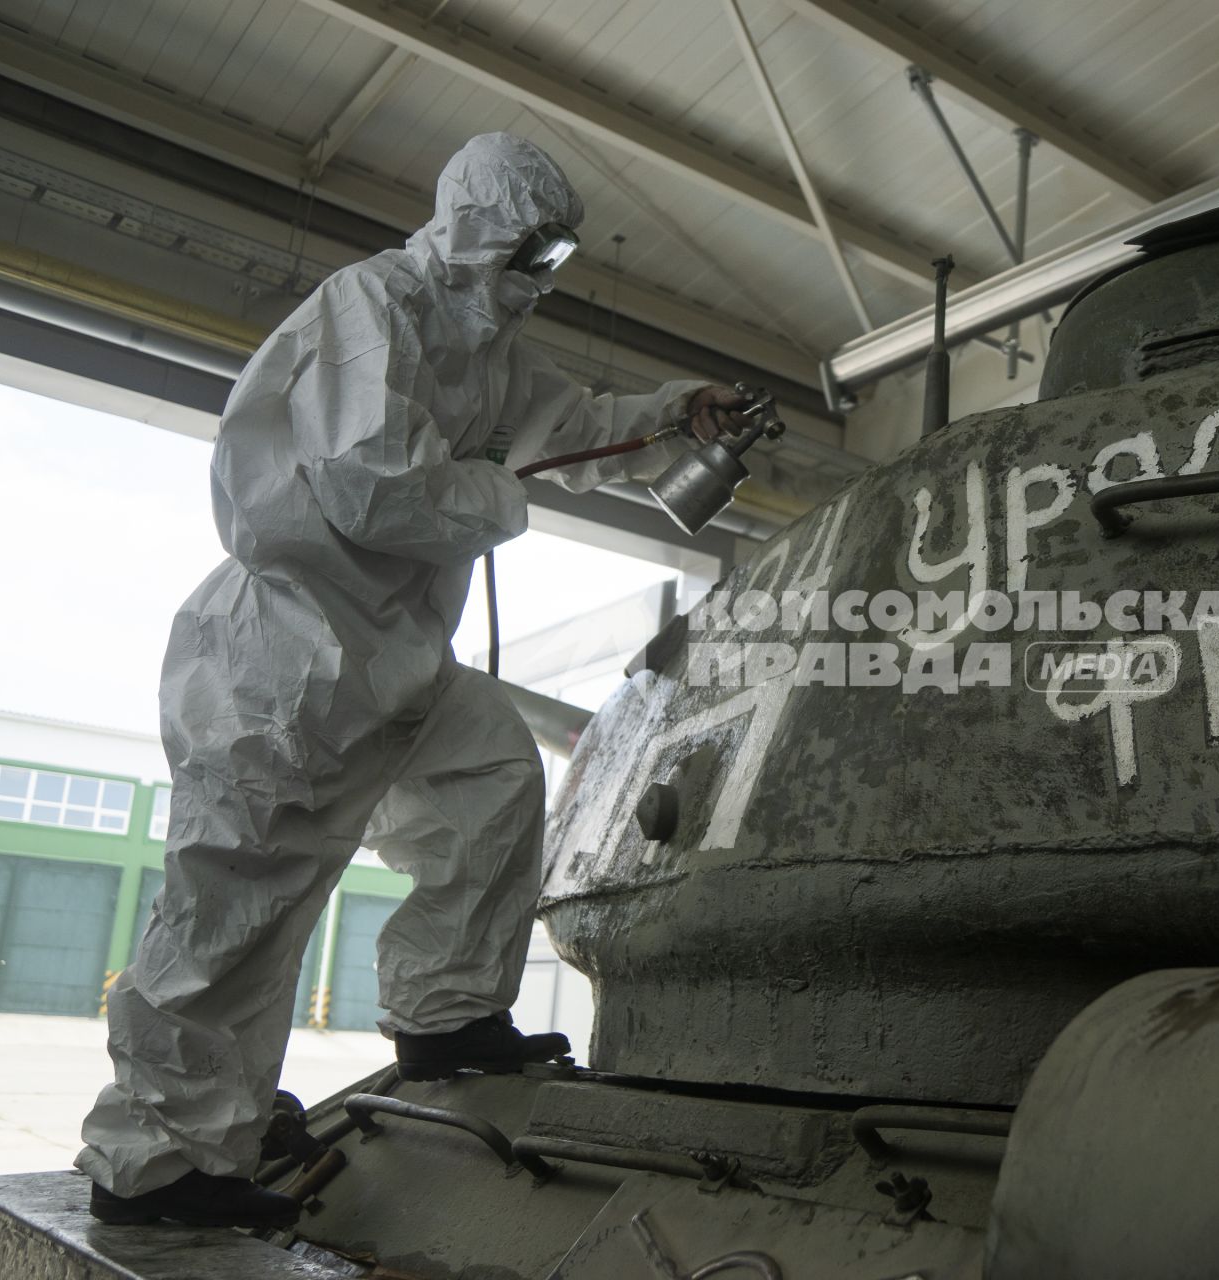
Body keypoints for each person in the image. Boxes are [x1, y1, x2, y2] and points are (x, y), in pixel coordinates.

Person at [78, 132, 744, 1229]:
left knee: (493, 774)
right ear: (478, 226)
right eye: (529, 247)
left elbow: (582, 425)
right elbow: (368, 485)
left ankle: (445, 1014)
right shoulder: (371, 304)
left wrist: (680, 405)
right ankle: (149, 1161)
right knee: (234, 917)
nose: (539, 274)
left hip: (393, 657)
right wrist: (500, 491)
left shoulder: (495, 355)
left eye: (554, 256)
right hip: (285, 657)